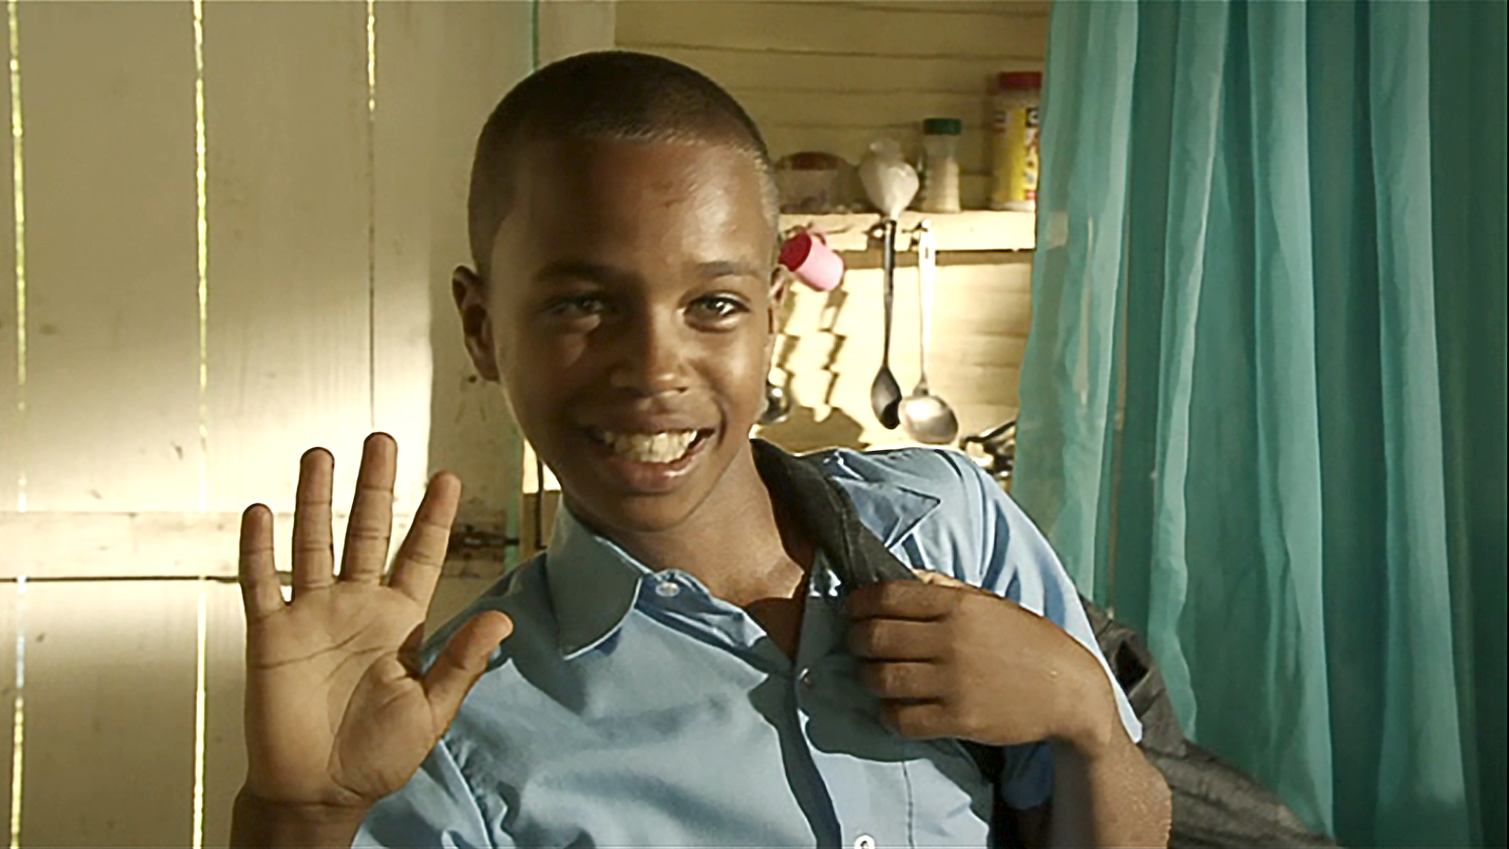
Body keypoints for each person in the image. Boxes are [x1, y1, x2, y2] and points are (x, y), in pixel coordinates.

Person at [229, 51, 1171, 849]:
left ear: (771, 314)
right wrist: (297, 816)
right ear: (481, 327)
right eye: (582, 304)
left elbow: (1116, 805)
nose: (654, 368)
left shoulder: (943, 522)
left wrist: (1084, 717)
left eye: (713, 304)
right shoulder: (451, 724)